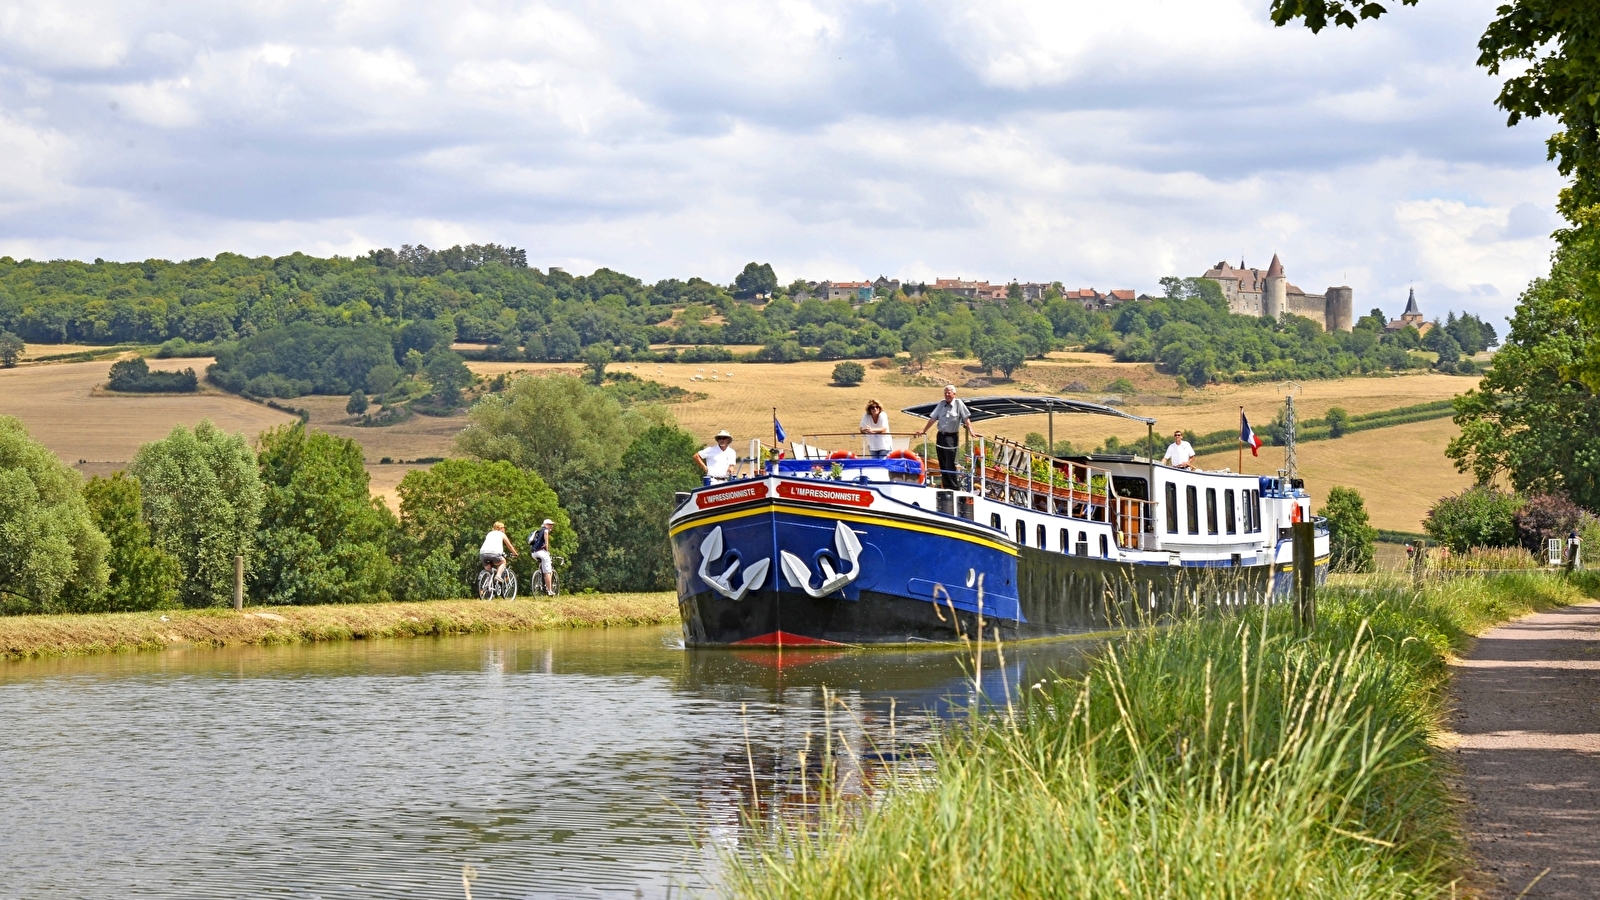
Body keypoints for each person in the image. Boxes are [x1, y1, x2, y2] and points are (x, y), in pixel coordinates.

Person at [914, 385, 980, 490]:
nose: (947, 394)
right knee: (942, 462)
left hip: (951, 437)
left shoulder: (958, 404)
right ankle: (946, 485)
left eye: (949, 392)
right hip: (941, 435)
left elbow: (966, 418)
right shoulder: (941, 404)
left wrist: (971, 431)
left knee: (950, 462)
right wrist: (923, 430)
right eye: (945, 392)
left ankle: (954, 487)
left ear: (954, 394)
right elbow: (933, 418)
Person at [478, 521, 518, 591]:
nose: (504, 529)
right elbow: (510, 546)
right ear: (500, 528)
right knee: (503, 562)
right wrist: (515, 553)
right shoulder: (502, 534)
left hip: (483, 554)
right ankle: (498, 576)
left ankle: (487, 586)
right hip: (495, 554)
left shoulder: (489, 533)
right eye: (504, 528)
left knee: (489, 571)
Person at [529, 518, 556, 596]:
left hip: (533, 553)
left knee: (543, 567)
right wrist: (547, 550)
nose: (551, 526)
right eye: (550, 524)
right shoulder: (545, 530)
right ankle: (549, 590)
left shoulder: (539, 531)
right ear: (546, 525)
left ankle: (540, 576)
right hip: (541, 552)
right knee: (547, 571)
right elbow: (546, 541)